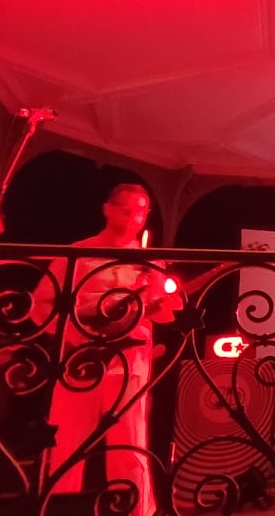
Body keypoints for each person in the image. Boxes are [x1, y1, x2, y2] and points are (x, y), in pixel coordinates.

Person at [45, 183, 176, 515]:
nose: (133, 218)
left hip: (129, 364)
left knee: (129, 444)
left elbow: (161, 312)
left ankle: (136, 511)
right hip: (79, 362)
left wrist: (162, 302)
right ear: (107, 208)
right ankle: (60, 509)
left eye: (141, 212)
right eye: (126, 209)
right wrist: (82, 328)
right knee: (66, 444)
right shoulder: (78, 253)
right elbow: (42, 306)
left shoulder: (150, 262)